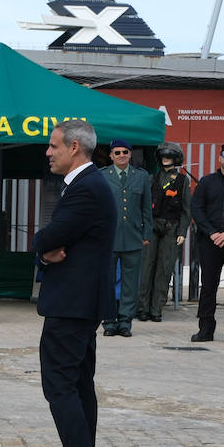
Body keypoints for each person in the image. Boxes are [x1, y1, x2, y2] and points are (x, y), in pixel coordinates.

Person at [30, 119, 115, 447]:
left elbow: (49, 235)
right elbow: (57, 239)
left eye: (53, 146)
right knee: (79, 384)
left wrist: (43, 247)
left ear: (75, 147)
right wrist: (48, 249)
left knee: (60, 384)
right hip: (79, 301)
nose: (48, 152)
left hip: (73, 303)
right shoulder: (86, 185)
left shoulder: (86, 188)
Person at [189, 143, 224, 345]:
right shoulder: (206, 182)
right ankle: (205, 329)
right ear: (219, 158)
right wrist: (212, 233)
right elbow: (197, 209)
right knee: (208, 286)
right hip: (210, 242)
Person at [99, 140, 151, 337]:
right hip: (108, 238)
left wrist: (146, 234)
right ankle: (109, 322)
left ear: (130, 154)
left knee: (130, 284)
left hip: (133, 237)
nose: (121, 155)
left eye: (125, 152)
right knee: (107, 282)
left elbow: (146, 208)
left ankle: (125, 322)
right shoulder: (102, 175)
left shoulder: (141, 176)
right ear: (111, 155)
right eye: (117, 152)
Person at [137, 142, 192, 323]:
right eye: (163, 156)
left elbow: (186, 209)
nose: (166, 159)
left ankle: (156, 309)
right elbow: (143, 206)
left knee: (164, 269)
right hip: (151, 227)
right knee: (146, 268)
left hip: (171, 229)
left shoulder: (183, 181)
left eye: (169, 156)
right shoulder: (151, 178)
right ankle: (142, 308)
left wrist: (182, 231)